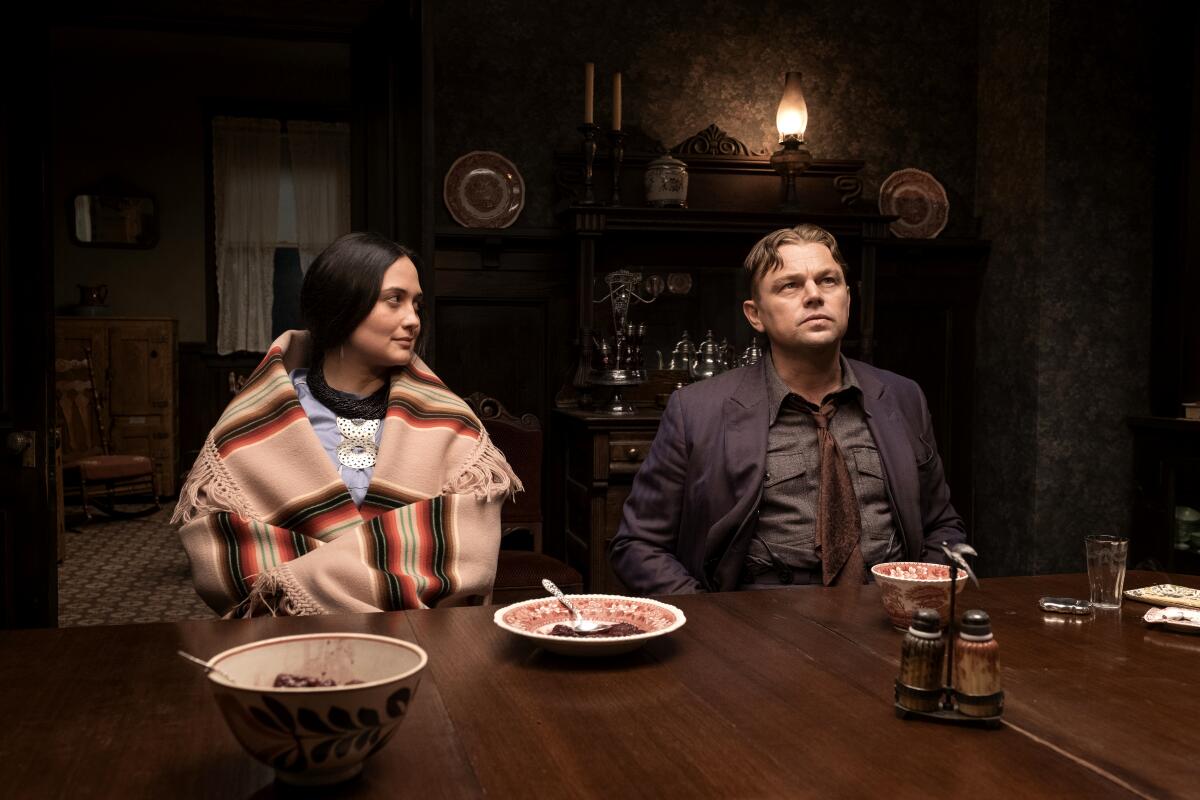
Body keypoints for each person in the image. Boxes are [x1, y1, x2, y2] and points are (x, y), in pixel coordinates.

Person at [173, 232, 519, 617]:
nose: (413, 321)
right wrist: (371, 572)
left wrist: (308, 575)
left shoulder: (449, 423)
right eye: (394, 300)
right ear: (343, 304)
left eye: (416, 305)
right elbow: (223, 556)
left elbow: (467, 554)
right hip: (284, 638)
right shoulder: (259, 420)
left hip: (419, 636)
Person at [609, 223, 964, 594]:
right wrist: (712, 621)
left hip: (886, 621)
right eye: (789, 285)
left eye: (828, 281)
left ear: (848, 297)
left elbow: (942, 526)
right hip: (755, 634)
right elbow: (637, 545)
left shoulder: (903, 397)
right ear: (755, 314)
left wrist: (920, 597)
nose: (813, 295)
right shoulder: (696, 411)